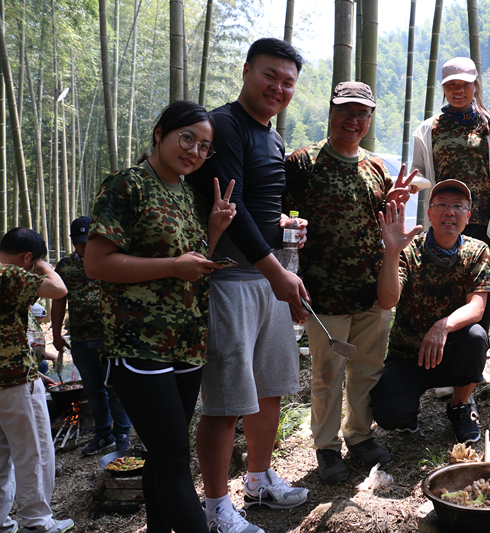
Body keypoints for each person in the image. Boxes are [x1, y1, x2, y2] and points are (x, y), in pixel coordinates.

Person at [85, 100, 235, 533]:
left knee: (161, 453)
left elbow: (190, 261)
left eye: (204, 147)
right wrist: (173, 266)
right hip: (138, 343)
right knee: (173, 458)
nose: (194, 151)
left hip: (186, 343)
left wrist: (213, 232)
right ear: (160, 132)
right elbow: (97, 263)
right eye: (187, 137)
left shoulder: (187, 193)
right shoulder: (126, 185)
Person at [187, 37, 310, 533]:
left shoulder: (272, 136)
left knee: (270, 388)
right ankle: (217, 507)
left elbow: (256, 207)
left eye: (288, 82)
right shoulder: (223, 126)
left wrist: (281, 225)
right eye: (270, 76)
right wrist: (277, 271)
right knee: (226, 399)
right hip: (229, 278)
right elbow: (230, 212)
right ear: (246, 72)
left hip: (266, 274)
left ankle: (258, 479)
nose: (278, 88)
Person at [283, 81, 414, 484]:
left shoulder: (376, 166)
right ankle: (326, 447)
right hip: (323, 294)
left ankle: (359, 436)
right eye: (347, 111)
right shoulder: (304, 162)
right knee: (326, 375)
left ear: (370, 118)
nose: (354, 120)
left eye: (363, 113)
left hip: (370, 290)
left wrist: (394, 204)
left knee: (367, 370)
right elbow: (279, 215)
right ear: (331, 111)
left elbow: (383, 225)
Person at [370, 180, 490, 445]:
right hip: (409, 355)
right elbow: (387, 301)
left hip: (453, 351)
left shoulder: (477, 251)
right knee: (390, 415)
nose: (449, 212)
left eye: (457, 206)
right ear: (429, 213)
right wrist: (392, 252)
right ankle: (408, 409)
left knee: (476, 337)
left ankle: (459, 405)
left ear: (468, 216)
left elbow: (477, 306)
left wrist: (443, 326)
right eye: (441, 205)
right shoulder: (409, 250)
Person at [411, 57, 490, 332]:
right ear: (444, 89)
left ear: (475, 86)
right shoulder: (429, 129)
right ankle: (444, 356)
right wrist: (414, 183)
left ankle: (476, 360)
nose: (458, 90)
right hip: (445, 221)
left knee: (479, 292)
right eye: (452, 85)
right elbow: (419, 169)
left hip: (485, 222)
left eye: (465, 84)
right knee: (445, 289)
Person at [0, 227, 73, 533]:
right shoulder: (9, 274)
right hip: (14, 379)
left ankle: (0, 523)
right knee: (35, 452)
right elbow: (58, 289)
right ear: (26, 257)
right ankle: (37, 523)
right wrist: (42, 264)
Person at [51, 216, 132, 456]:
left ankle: (122, 433)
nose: (83, 247)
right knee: (92, 390)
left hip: (109, 336)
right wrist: (56, 334)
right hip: (80, 338)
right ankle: (103, 433)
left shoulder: (111, 259)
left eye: (87, 241)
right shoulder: (64, 266)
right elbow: (58, 302)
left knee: (114, 387)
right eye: (79, 243)